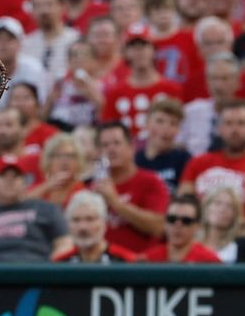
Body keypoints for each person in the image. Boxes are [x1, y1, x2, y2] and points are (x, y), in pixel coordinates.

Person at [0, 155, 71, 262]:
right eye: (3, 175)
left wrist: (49, 270)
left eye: (15, 176)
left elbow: (65, 243)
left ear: (24, 182)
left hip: (33, 272)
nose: (9, 180)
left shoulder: (47, 210)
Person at [179, 101, 245, 218]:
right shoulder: (198, 163)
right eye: (228, 123)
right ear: (219, 128)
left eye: (241, 123)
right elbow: (182, 204)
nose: (235, 130)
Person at [94, 122, 169, 253]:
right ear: (98, 152)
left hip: (140, 265)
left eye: (117, 143)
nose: (111, 149)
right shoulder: (94, 187)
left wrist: (116, 203)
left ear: (131, 147)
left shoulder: (150, 182)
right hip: (102, 263)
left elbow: (158, 227)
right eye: (105, 145)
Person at [53, 190, 136, 263]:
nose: (82, 227)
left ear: (104, 222)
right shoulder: (61, 263)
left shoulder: (125, 261)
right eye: (76, 220)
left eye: (90, 219)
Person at [141, 194, 221, 263]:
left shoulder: (209, 261)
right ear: (165, 222)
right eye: (172, 219)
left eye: (186, 221)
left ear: (197, 226)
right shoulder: (149, 259)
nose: (178, 225)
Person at [135, 98, 191, 194]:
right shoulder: (135, 160)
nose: (165, 129)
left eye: (173, 123)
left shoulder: (184, 159)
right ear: (147, 123)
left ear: (178, 129)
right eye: (160, 121)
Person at [198, 186, 245, 263]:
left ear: (235, 215)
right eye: (217, 203)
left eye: (229, 206)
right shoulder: (189, 242)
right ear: (206, 207)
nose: (222, 209)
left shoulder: (241, 247)